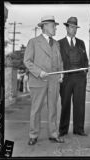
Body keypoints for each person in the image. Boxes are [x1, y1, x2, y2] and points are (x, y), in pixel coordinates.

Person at [24, 15, 64, 145]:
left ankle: (53, 134)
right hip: (38, 80)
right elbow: (27, 61)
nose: (55, 29)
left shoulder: (56, 43)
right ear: (45, 26)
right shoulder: (33, 42)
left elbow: (60, 61)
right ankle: (33, 135)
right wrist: (38, 72)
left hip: (53, 80)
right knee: (36, 109)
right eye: (53, 26)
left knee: (53, 108)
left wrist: (61, 73)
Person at [58, 17, 88, 137]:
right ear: (66, 28)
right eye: (71, 27)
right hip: (66, 77)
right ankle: (63, 130)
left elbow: (85, 60)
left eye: (75, 27)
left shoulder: (81, 43)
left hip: (80, 78)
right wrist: (60, 74)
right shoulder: (59, 43)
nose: (73, 29)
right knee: (65, 103)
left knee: (79, 103)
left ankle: (79, 129)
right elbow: (57, 60)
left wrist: (85, 70)